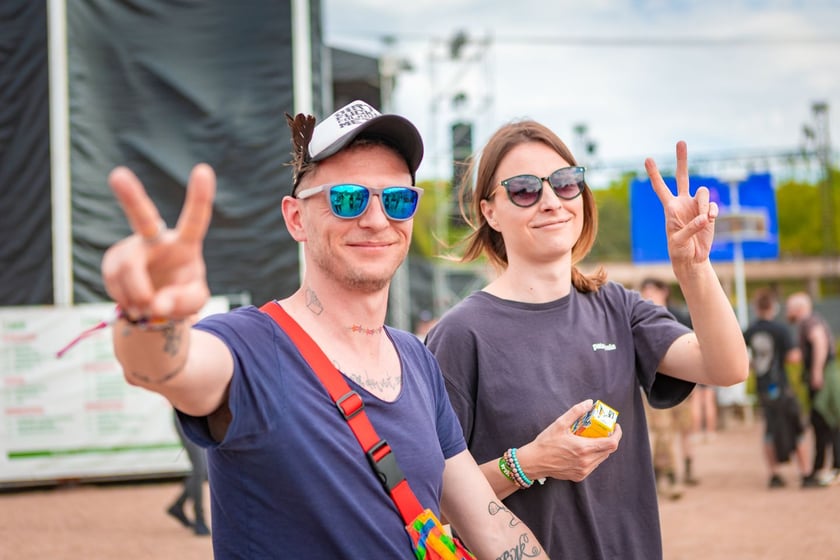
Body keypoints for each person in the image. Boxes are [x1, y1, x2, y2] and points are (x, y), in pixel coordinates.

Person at [101, 100, 549, 558]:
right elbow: (166, 367)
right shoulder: (251, 346)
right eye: (347, 198)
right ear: (296, 218)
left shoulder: (417, 361)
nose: (376, 219)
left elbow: (490, 527)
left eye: (397, 199)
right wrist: (149, 318)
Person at [425, 120, 749, 559]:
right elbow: (431, 501)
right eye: (524, 189)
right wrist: (528, 462)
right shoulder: (461, 334)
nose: (550, 201)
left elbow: (727, 367)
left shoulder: (617, 307)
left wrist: (694, 269)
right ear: (490, 212)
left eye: (564, 183)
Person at [743, 288, 812, 489]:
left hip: (763, 387)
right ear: (773, 307)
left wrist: (756, 364)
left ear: (756, 307)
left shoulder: (750, 330)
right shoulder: (781, 330)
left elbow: (742, 358)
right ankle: (805, 472)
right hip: (781, 386)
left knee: (770, 430)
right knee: (796, 427)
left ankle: (774, 474)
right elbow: (793, 356)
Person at [639, 277, 699, 499]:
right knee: (663, 432)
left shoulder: (678, 316)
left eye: (652, 290)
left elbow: (694, 349)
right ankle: (668, 476)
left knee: (685, 429)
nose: (648, 294)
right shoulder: (640, 318)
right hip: (654, 388)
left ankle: (686, 468)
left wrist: (695, 384)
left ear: (664, 291)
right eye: (645, 290)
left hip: (681, 386)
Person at [785, 291, 840, 487]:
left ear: (799, 308)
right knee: (825, 422)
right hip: (826, 375)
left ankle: (825, 468)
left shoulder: (809, 322)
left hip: (824, 379)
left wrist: (816, 372)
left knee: (824, 421)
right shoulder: (811, 321)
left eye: (789, 307)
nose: (787, 311)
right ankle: (825, 467)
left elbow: (819, 342)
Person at [166, 410, 211, 535]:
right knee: (200, 469)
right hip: (186, 419)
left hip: (199, 419)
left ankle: (178, 506)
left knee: (202, 470)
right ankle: (199, 519)